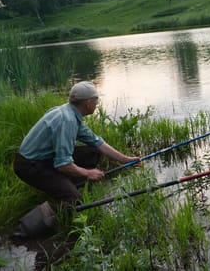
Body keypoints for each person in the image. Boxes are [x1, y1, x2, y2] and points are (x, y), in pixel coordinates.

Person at [12, 81, 140, 239]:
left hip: (43, 159)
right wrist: (88, 173)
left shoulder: (70, 112)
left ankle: (65, 186)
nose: (97, 104)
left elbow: (97, 142)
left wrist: (126, 159)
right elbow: (63, 164)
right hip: (29, 166)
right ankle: (23, 231)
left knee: (92, 152)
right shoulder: (68, 121)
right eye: (96, 100)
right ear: (88, 103)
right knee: (74, 200)